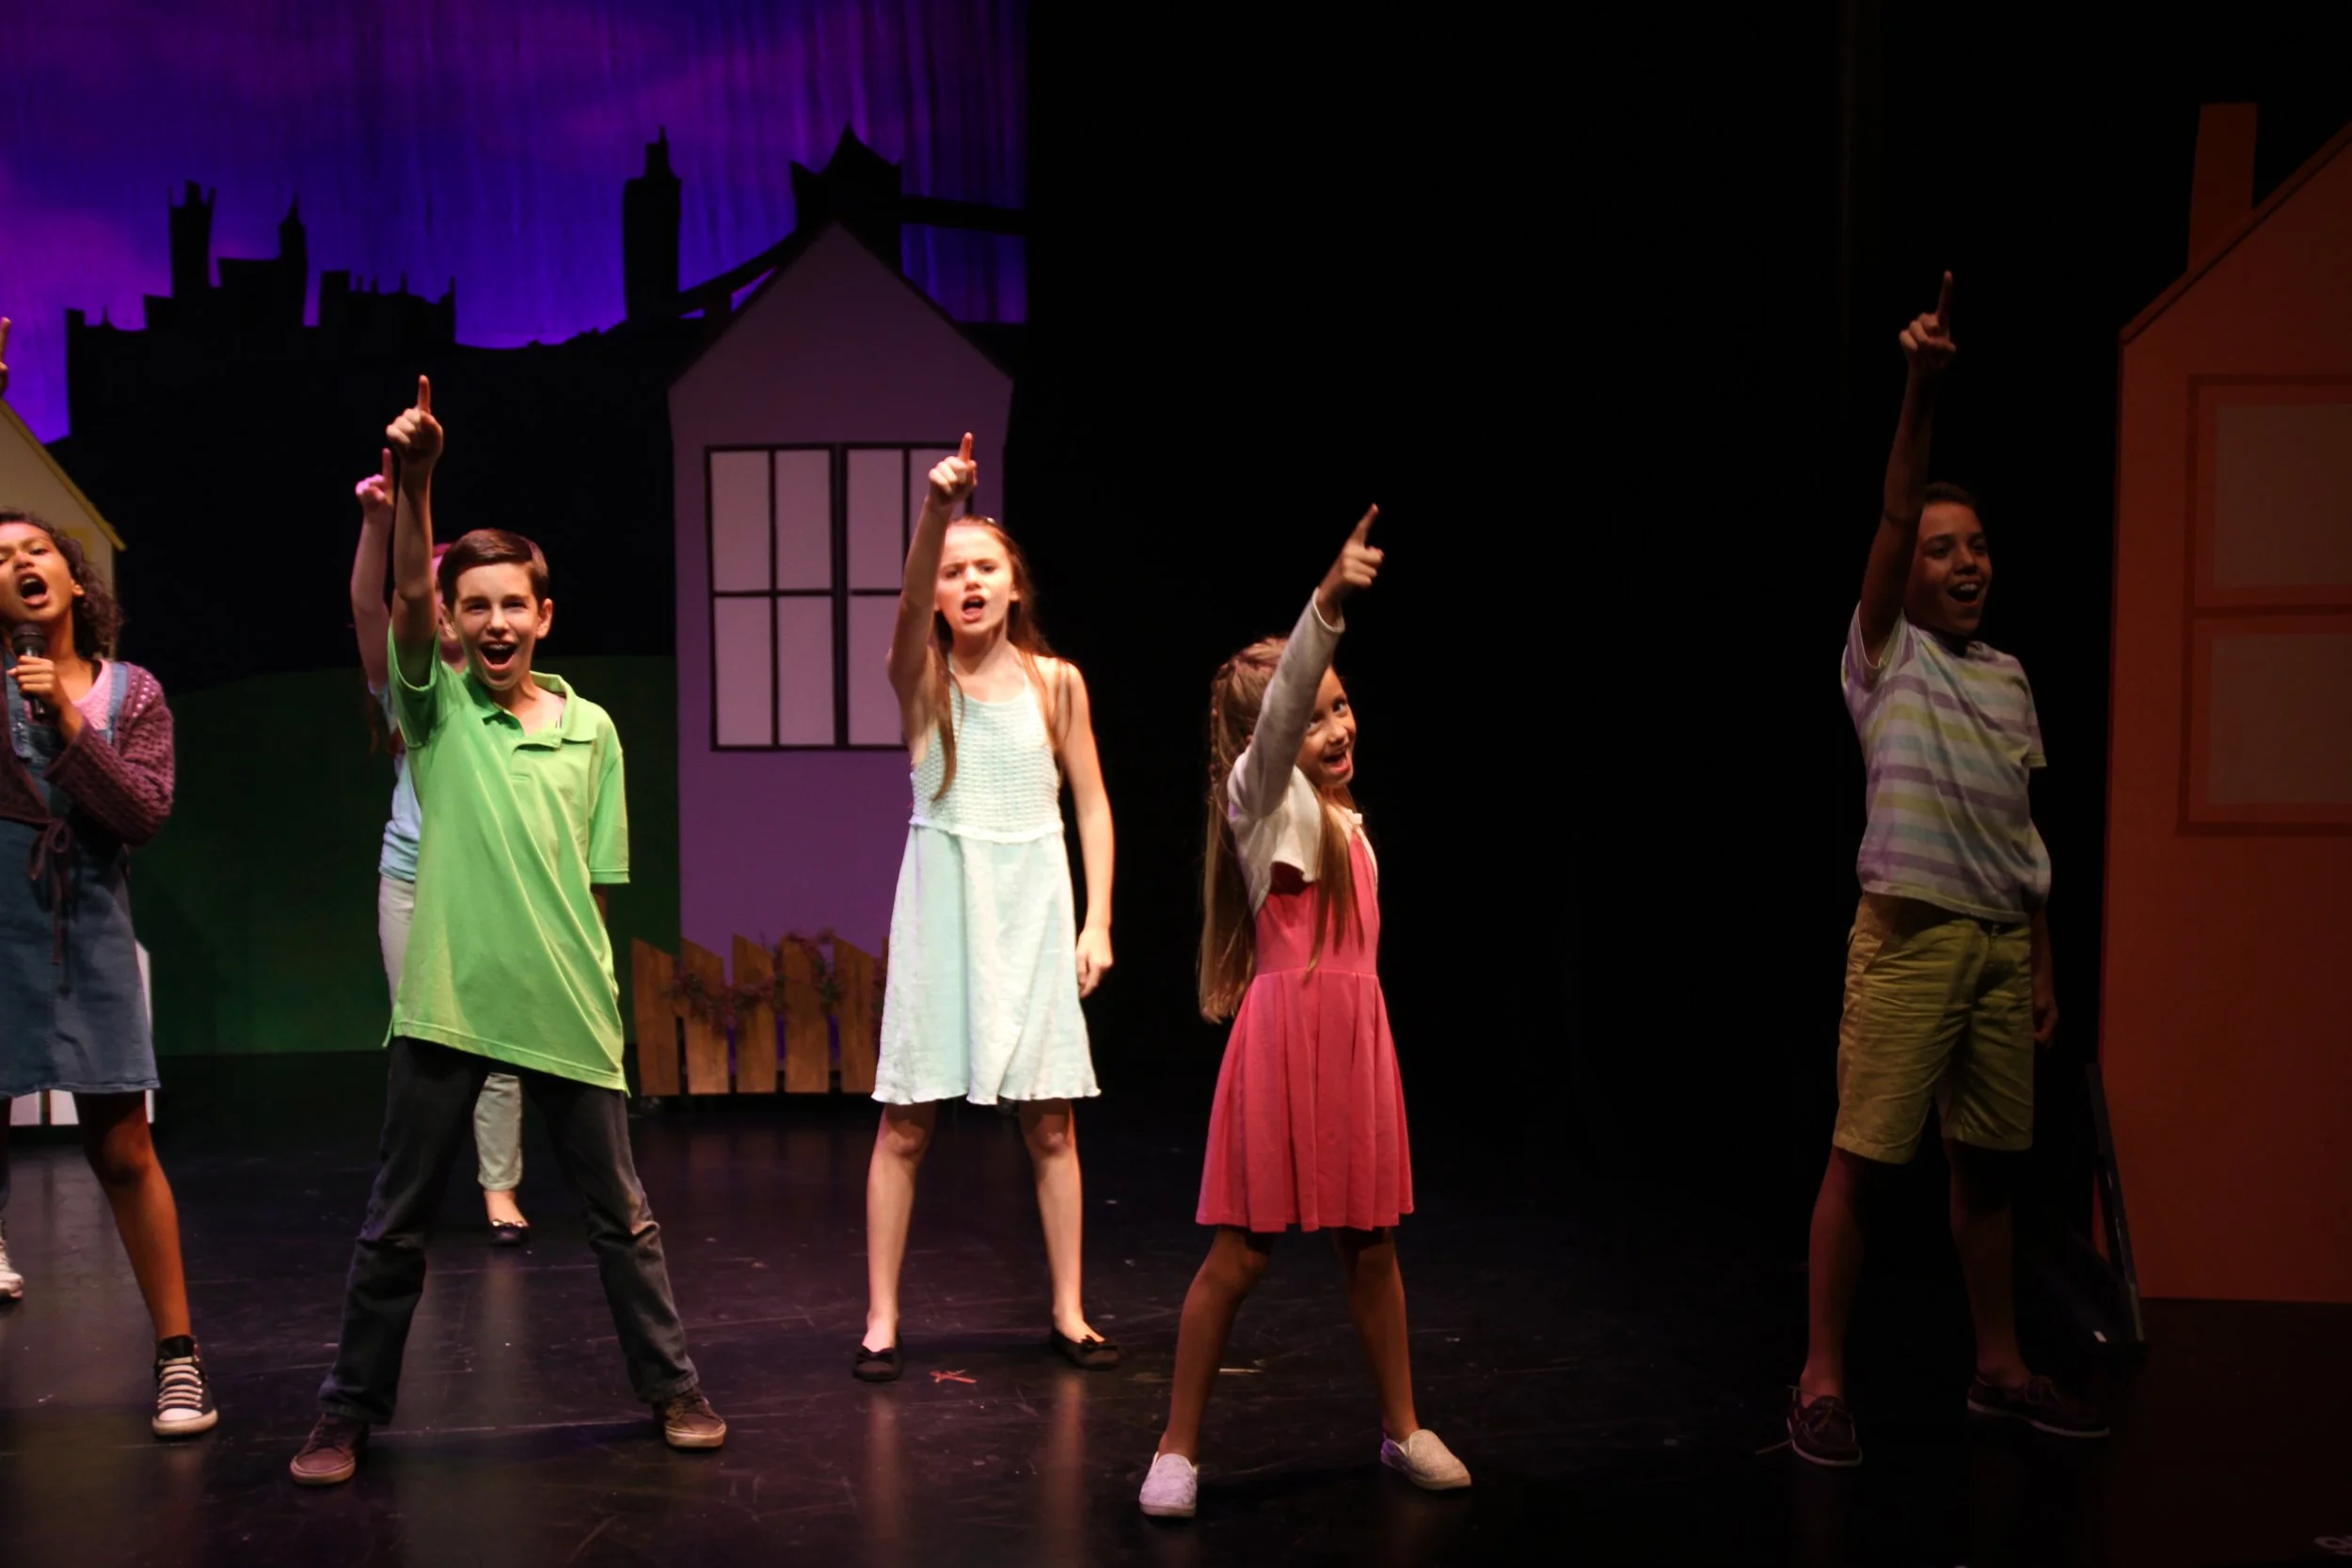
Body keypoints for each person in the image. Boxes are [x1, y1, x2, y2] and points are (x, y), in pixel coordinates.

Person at [290, 378, 724, 1485]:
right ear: (449, 621)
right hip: (450, 1000)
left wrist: (602, 1002)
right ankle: (345, 1411)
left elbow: (596, 887)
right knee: (395, 1225)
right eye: (472, 605)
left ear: (544, 615)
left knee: (623, 1219)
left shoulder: (592, 730)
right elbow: (397, 595)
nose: (494, 622)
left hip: (566, 1005)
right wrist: (417, 482)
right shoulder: (434, 713)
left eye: (512, 605)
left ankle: (673, 1385)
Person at [1787, 274, 2106, 1467]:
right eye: (1939, 548)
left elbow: (2023, 833)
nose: (1965, 561)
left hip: (1996, 944)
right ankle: (1820, 1379)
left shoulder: (2010, 678)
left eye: (1975, 545)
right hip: (1911, 933)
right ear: (1906, 571)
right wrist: (1919, 390)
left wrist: (2039, 959)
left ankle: (1999, 1367)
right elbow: (1888, 513)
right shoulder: (1887, 656)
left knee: (1987, 1168)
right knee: (1864, 1159)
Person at [1138, 508, 1469, 1520]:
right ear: (1267, 741)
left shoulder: (1349, 823)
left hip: (1354, 1048)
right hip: (1283, 1048)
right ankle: (1176, 1447)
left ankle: (1402, 1425)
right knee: (1239, 1255)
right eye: (1313, 714)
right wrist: (1325, 604)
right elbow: (1280, 710)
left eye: (1343, 705)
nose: (1335, 727)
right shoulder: (1261, 803)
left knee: (1372, 1247)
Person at [857, 435, 1118, 1383]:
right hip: (944, 907)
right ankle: (882, 1317)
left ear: (1014, 586)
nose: (968, 582)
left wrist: (1097, 921)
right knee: (906, 1120)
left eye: (985, 568)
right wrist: (936, 512)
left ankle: (1069, 1309)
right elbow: (902, 615)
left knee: (1050, 1122)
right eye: (952, 571)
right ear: (934, 592)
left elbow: (1091, 804)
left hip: (1033, 907)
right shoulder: (922, 679)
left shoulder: (1059, 684)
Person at [0, 505, 217, 1437]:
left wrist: (63, 716)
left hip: (87, 921)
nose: (20, 563)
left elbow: (141, 814)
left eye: (35, 549)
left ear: (72, 576)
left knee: (124, 1148)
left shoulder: (133, 693)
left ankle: (179, 1356)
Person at [348, 450, 531, 1244]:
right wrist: (377, 523)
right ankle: (411, 1192)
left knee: (498, 1041)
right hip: (413, 879)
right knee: (420, 1044)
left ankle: (500, 1188)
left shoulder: (510, 683)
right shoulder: (406, 684)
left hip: (489, 881)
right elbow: (370, 603)